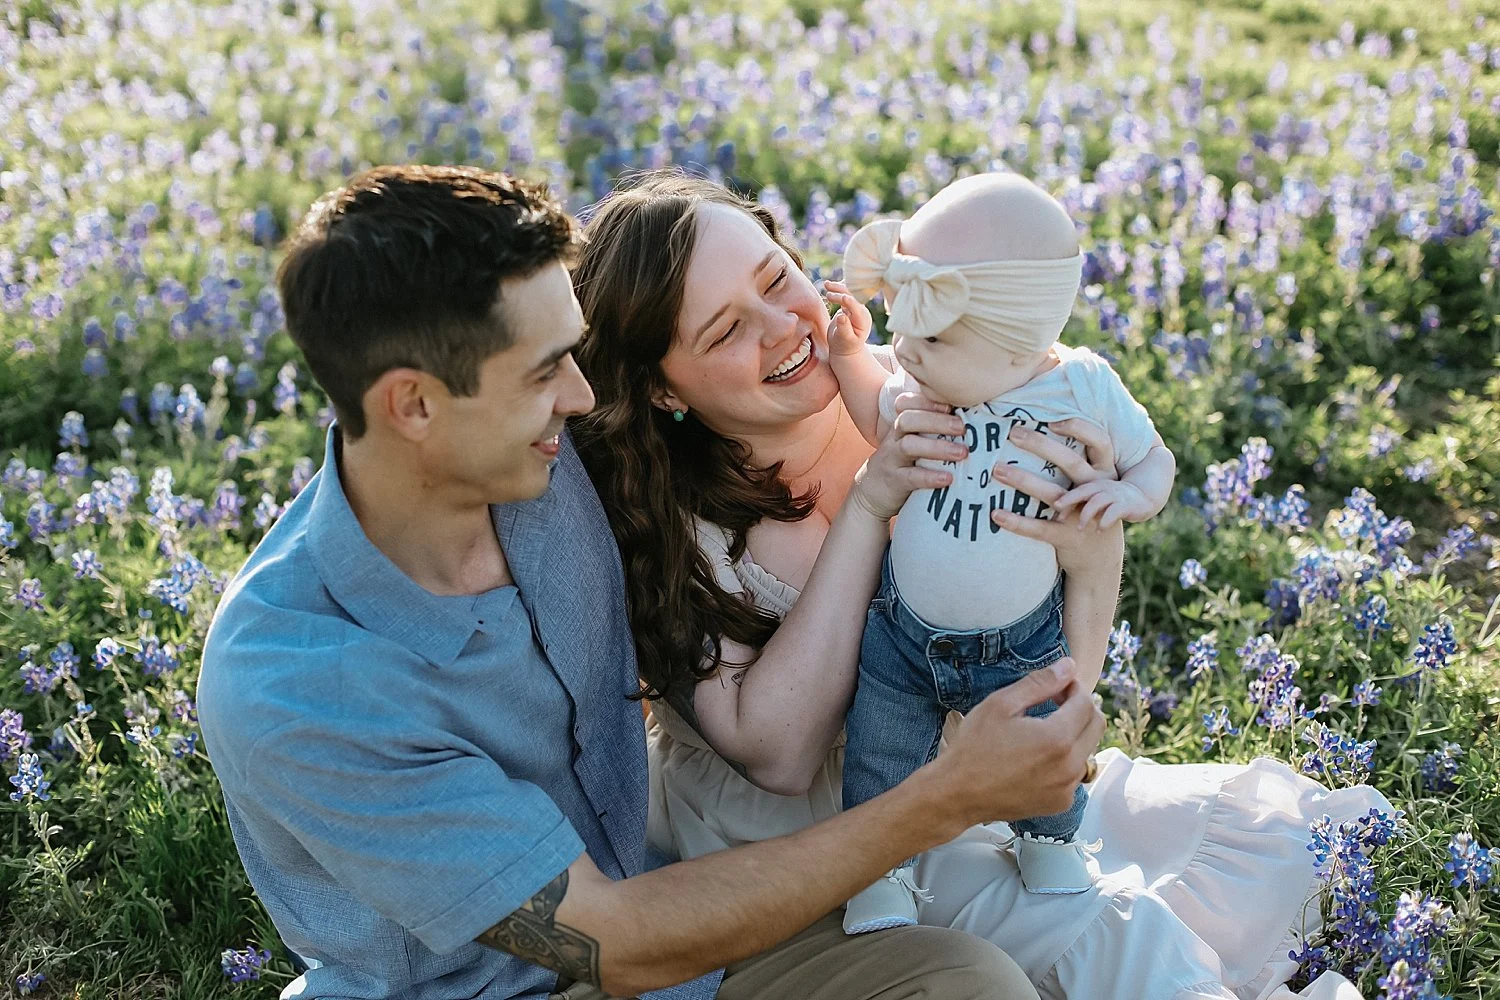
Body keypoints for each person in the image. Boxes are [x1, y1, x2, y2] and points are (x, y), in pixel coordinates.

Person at [196, 163, 1101, 1000]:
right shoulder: (302, 685)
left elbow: (729, 379)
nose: (582, 398)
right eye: (544, 371)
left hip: (685, 929)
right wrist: (942, 799)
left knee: (964, 983)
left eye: (574, 353)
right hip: (550, 973)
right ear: (413, 405)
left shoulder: (547, 465)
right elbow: (607, 941)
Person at [569, 170, 1387, 1000]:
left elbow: (1058, 678)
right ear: (661, 386)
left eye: (777, 279)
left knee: (1280, 847)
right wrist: (871, 505)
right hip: (810, 838)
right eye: (727, 330)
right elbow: (779, 755)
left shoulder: (937, 389)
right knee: (1116, 933)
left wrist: (1091, 551)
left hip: (979, 765)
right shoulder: (669, 521)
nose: (783, 328)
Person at [823, 171, 1178, 926]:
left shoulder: (1082, 388)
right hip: (900, 635)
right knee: (880, 753)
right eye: (898, 329)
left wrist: (1130, 496)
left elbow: (1154, 457)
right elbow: (874, 415)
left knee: (1043, 741)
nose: (902, 351)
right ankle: (879, 873)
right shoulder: (922, 388)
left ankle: (1048, 840)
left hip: (1020, 642)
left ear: (1020, 344)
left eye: (929, 337)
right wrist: (851, 354)